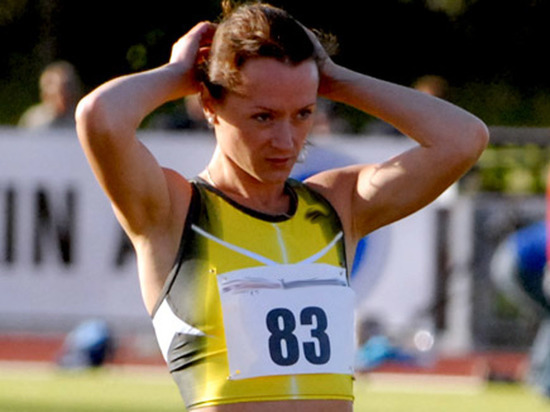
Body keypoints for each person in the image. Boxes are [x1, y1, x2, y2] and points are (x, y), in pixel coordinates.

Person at [75, 1, 489, 410]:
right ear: (209, 105)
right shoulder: (173, 212)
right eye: (264, 117)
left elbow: (464, 139)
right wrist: (176, 73)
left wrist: (333, 78)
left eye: (303, 113)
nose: (286, 141)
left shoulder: (337, 207)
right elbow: (99, 117)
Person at [18, 60, 82, 129]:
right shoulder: (33, 120)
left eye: (68, 89)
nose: (65, 96)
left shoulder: (81, 118)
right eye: (60, 92)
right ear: (45, 94)